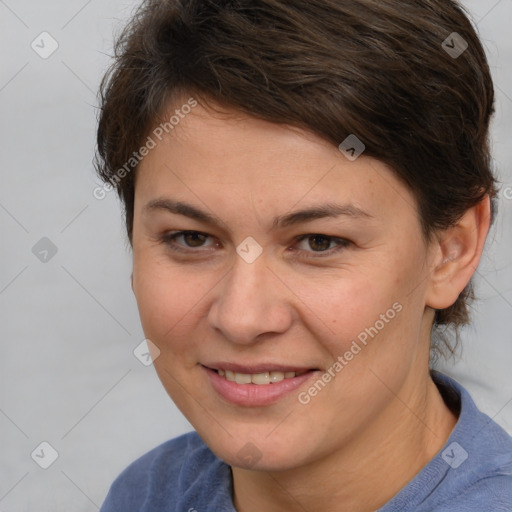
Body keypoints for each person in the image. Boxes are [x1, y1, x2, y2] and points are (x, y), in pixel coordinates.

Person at [95, 0, 512, 510]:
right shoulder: (148, 494)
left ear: (452, 249)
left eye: (320, 242)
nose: (242, 319)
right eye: (192, 238)